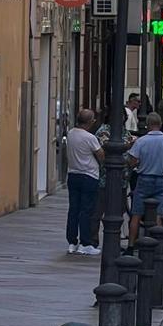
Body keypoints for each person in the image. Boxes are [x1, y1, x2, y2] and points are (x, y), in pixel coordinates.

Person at [126, 112, 163, 250]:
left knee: (136, 214)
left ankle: (131, 245)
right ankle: (158, 246)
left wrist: (139, 164)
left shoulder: (141, 141)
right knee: (158, 214)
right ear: (160, 124)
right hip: (162, 179)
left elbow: (132, 162)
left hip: (144, 178)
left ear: (148, 125)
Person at [91, 109, 137, 246]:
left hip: (122, 179)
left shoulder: (125, 131)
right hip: (104, 178)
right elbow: (107, 147)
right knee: (98, 211)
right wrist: (128, 146)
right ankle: (93, 240)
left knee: (120, 210)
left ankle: (113, 240)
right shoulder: (103, 131)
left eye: (122, 116)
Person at [66, 109, 105, 255]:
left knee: (73, 209)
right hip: (89, 175)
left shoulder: (70, 133)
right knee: (86, 210)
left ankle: (71, 242)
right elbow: (101, 155)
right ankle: (85, 243)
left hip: (73, 174)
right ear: (90, 122)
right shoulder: (90, 137)